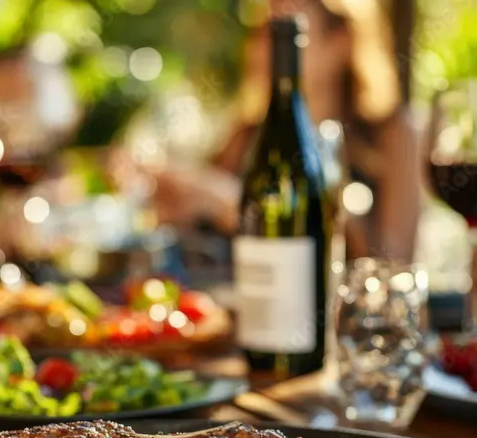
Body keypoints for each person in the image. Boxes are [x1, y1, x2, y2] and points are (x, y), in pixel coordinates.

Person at [144, 0, 421, 262]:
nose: (262, 49)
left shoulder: (391, 136)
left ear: (340, 41)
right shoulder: (247, 134)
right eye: (262, 32)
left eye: (287, 31)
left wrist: (233, 204)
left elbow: (392, 260)